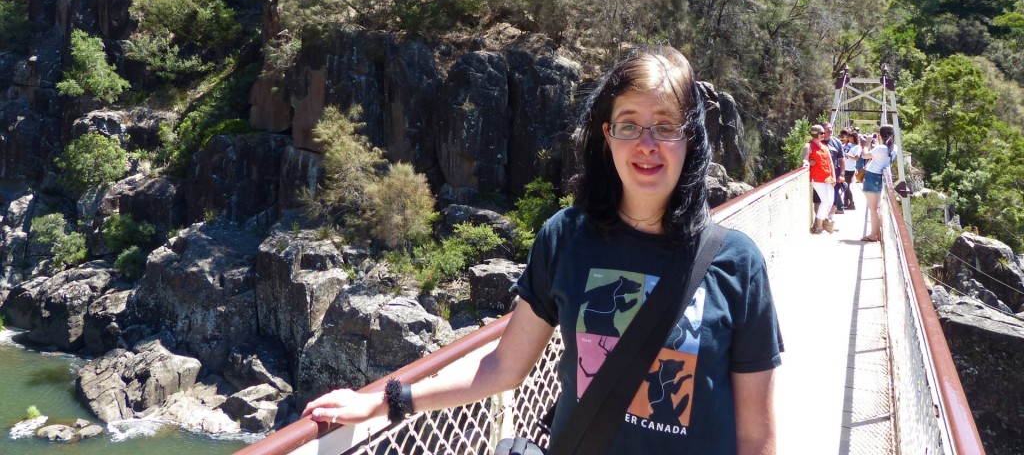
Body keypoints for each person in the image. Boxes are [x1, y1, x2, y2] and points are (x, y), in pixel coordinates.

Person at [302, 47, 782, 455]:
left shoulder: (736, 263)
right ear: (607, 136)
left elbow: (757, 438)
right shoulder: (566, 238)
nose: (647, 144)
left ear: (690, 137)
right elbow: (503, 366)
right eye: (630, 125)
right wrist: (386, 401)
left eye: (665, 125)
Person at [861, 124, 896, 242]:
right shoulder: (893, 148)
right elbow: (881, 155)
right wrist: (876, 146)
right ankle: (878, 233)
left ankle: (873, 235)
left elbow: (864, 155)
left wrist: (867, 143)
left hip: (871, 177)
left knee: (873, 209)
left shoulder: (881, 148)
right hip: (879, 178)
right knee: (876, 207)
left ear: (881, 135)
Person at [802, 124, 836, 234]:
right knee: (825, 201)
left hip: (828, 178)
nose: (824, 134)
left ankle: (824, 222)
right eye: (821, 133)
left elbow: (830, 162)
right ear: (816, 134)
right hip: (817, 178)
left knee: (830, 201)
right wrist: (807, 163)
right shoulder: (808, 146)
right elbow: (805, 159)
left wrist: (834, 176)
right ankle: (819, 226)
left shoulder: (825, 147)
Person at [822, 123, 845, 216]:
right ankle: (821, 220)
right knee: (821, 198)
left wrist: (842, 174)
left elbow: (842, 160)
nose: (830, 130)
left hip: (834, 175)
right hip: (821, 175)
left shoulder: (837, 142)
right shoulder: (817, 142)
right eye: (827, 128)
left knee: (834, 198)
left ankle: (830, 220)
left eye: (831, 128)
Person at [841, 130, 860, 209]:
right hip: (843, 167)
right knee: (843, 186)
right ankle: (846, 203)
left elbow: (856, 158)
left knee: (846, 186)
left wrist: (846, 155)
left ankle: (852, 203)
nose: (849, 138)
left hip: (850, 168)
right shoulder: (846, 145)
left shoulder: (857, 147)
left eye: (851, 137)